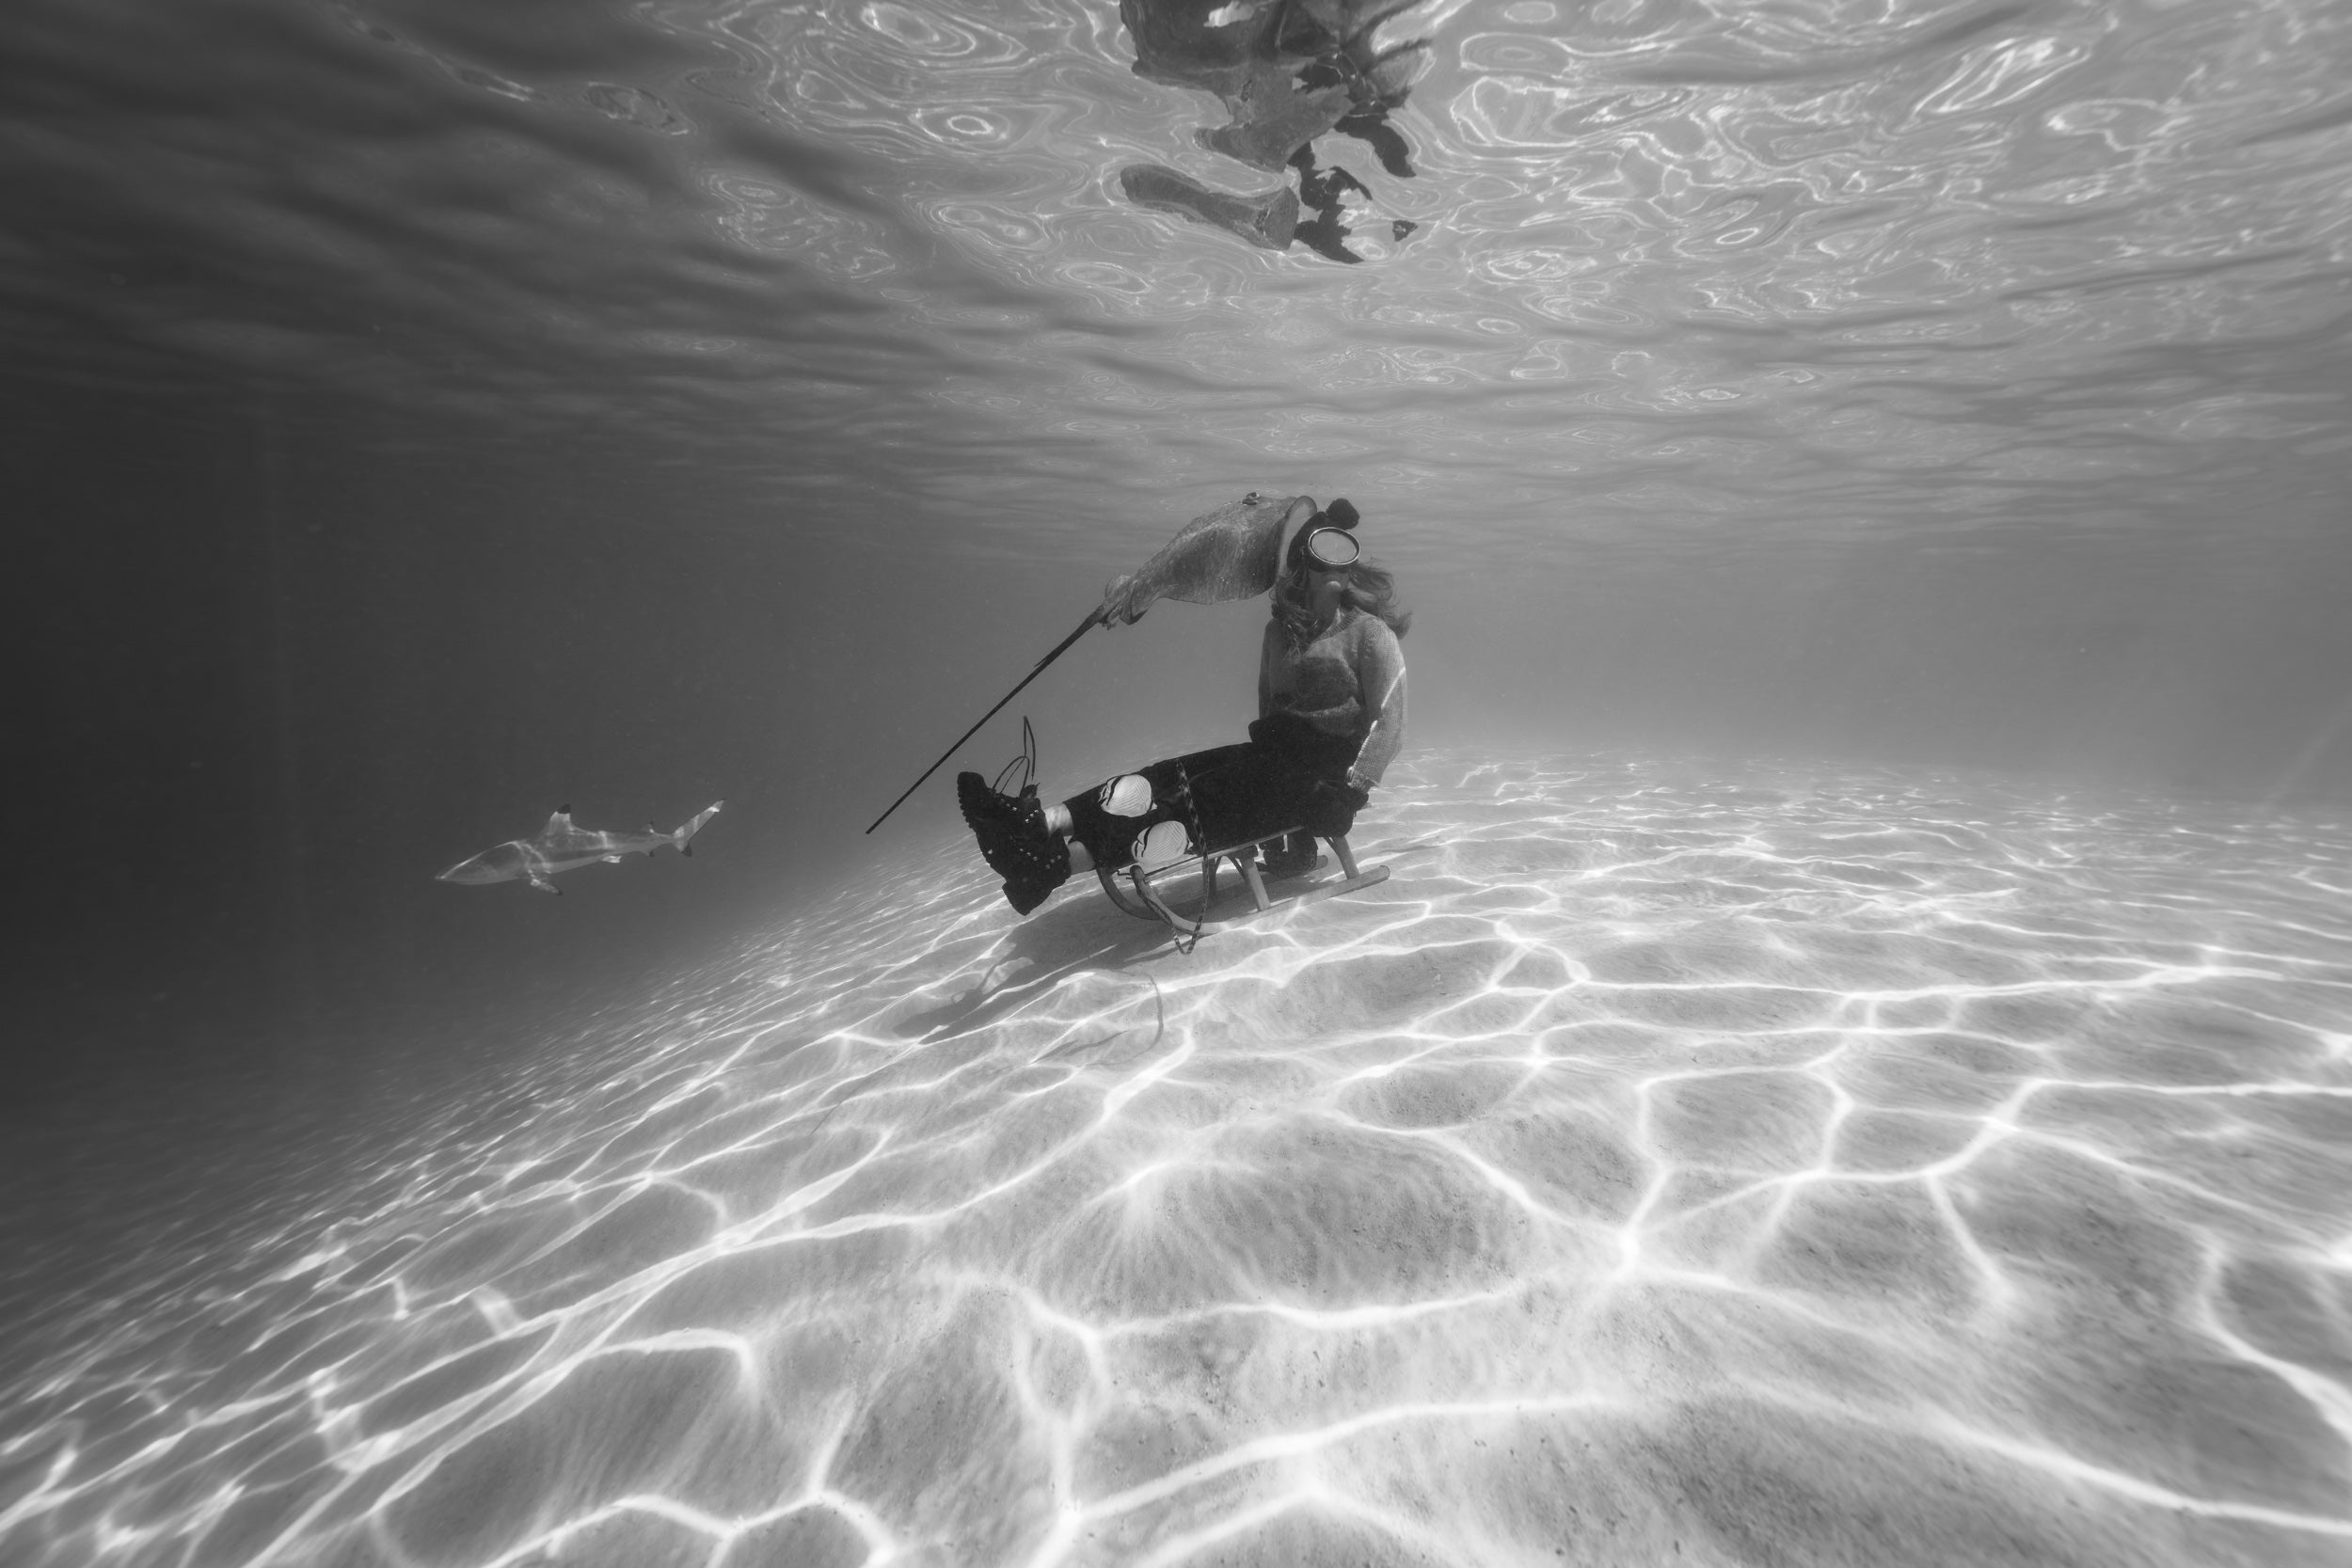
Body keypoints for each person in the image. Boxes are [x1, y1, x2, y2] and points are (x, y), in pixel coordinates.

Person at [958, 499, 1409, 914]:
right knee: (1167, 775)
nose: (1335, 561)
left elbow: (1390, 719)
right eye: (1321, 549)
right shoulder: (1279, 634)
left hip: (1325, 774)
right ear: (1301, 565)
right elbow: (1269, 704)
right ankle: (1037, 822)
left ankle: (1048, 866)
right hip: (1274, 757)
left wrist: (1351, 792)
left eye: (1343, 551)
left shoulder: (1370, 633)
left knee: (1188, 805)